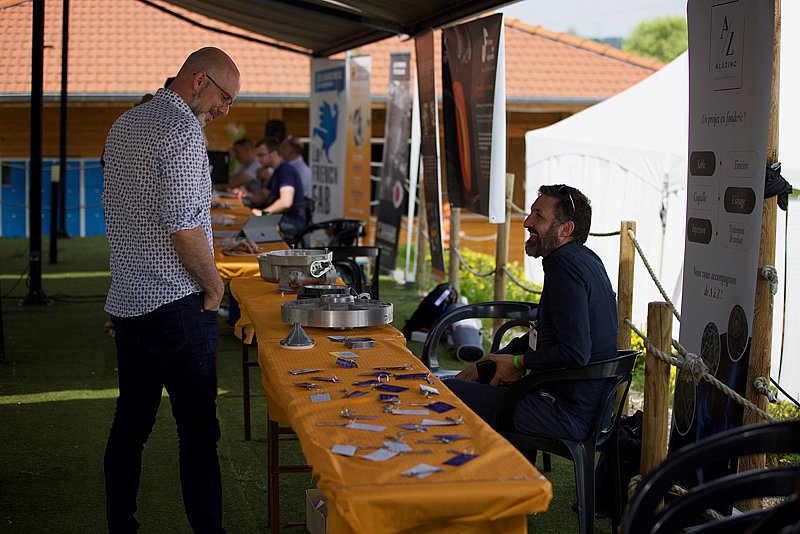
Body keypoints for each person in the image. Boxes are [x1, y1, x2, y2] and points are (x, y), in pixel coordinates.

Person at [101, 47, 239, 534]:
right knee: (198, 432)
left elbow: (121, 215)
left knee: (130, 425)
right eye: (225, 98)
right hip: (178, 305)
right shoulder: (181, 131)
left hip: (130, 303)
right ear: (199, 80)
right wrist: (215, 287)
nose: (225, 110)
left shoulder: (125, 123)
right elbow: (184, 229)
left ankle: (121, 526)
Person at [446, 184, 618, 441]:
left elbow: (574, 353)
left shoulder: (563, 266)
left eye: (538, 216)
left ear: (566, 229)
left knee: (447, 392)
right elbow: (547, 335)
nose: (527, 222)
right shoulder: (584, 259)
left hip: (567, 414)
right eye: (530, 214)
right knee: (471, 381)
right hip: (581, 408)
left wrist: (518, 362)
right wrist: (493, 360)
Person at [251, 137, 308, 241]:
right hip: (281, 217)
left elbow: (285, 202)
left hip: (292, 220)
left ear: (273, 154)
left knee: (250, 229)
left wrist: (264, 213)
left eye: (261, 155)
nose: (258, 160)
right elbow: (263, 195)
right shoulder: (278, 170)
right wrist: (244, 197)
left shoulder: (286, 170)